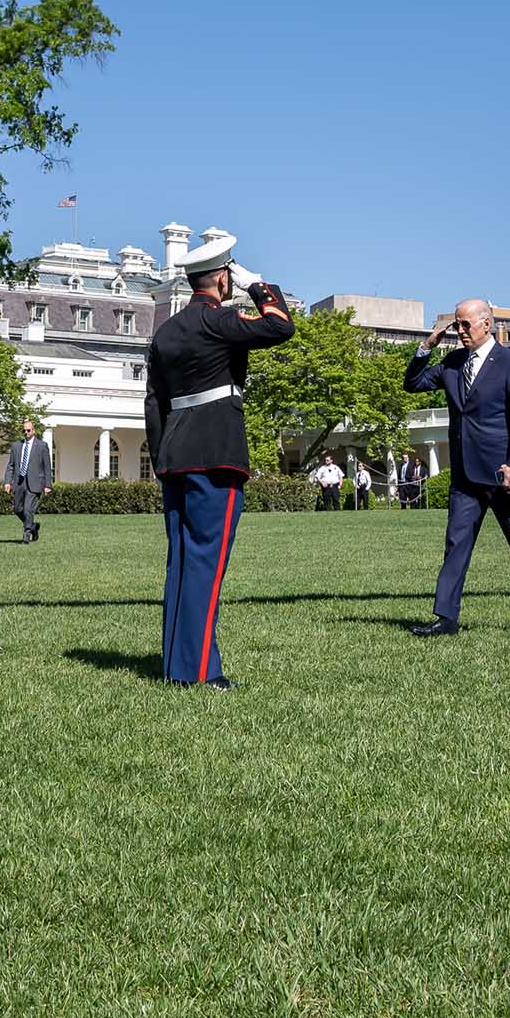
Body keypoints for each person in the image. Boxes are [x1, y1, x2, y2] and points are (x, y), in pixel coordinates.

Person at [145, 234, 294, 688]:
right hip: (215, 456)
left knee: (183, 563)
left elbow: (154, 402)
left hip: (175, 456)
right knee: (206, 566)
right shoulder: (219, 320)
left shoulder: (166, 331)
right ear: (223, 277)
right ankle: (200, 672)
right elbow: (280, 327)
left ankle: (177, 664)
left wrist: (161, 457)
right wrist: (259, 286)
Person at [403, 298, 510, 636]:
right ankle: (446, 619)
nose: (460, 331)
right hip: (464, 477)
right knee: (456, 545)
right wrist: (425, 347)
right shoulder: (451, 363)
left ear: (486, 324)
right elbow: (413, 384)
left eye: (466, 325)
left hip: (504, 475)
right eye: (457, 325)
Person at [6, 417, 52, 543]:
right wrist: (7, 482)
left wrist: (48, 485)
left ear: (34, 431)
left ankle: (26, 535)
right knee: (17, 509)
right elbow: (11, 465)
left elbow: (47, 467)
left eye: (28, 430)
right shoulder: (16, 446)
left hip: (35, 483)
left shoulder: (42, 446)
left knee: (28, 509)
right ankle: (33, 527)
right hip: (19, 482)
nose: (26, 433)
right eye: (24, 431)